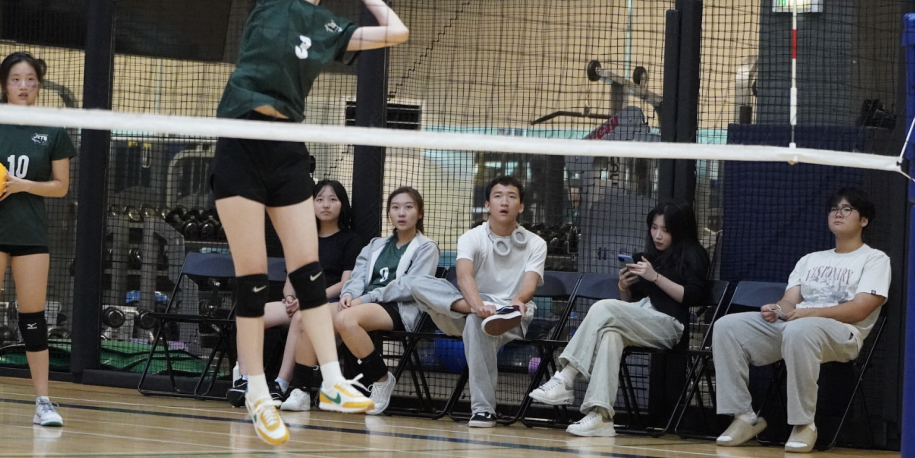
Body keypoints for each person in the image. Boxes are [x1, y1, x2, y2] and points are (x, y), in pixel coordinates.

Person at [209, 0, 411, 445]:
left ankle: (330, 375)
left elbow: (398, 33)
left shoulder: (331, 27)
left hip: (287, 151)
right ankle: (258, 393)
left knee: (308, 275)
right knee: (249, 279)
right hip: (243, 140)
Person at [712, 187, 890, 453]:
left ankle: (804, 424)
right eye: (833, 209)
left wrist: (809, 313)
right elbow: (790, 301)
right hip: (797, 325)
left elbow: (860, 309)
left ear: (863, 219)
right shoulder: (810, 260)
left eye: (846, 209)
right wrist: (777, 308)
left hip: (842, 334)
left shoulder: (875, 259)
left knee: (800, 329)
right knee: (727, 326)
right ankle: (744, 416)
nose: (838, 214)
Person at [0, 52, 76, 427]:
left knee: (33, 318)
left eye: (31, 80)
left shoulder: (54, 129)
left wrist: (23, 186)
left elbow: (61, 187)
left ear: (39, 84)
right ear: (4, 84)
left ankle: (44, 402)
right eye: (16, 80)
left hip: (31, 233)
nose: (24, 86)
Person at [528, 200, 710, 437]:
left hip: (670, 325)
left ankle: (566, 376)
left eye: (665, 230)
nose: (657, 235)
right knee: (610, 335)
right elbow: (627, 308)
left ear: (679, 230)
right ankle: (601, 416)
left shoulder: (694, 254)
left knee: (604, 308)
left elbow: (692, 297)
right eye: (654, 227)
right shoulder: (648, 257)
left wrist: (655, 277)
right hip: (641, 318)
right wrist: (624, 286)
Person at [280, 186, 439, 415]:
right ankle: (302, 390)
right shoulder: (375, 245)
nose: (401, 213)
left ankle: (382, 379)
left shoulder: (426, 247)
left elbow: (410, 286)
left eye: (408, 207)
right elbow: (357, 276)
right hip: (361, 303)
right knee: (307, 318)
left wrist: (364, 299)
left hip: (398, 308)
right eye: (395, 208)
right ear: (389, 214)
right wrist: (348, 295)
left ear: (420, 213)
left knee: (345, 320)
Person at [404, 176, 546, 427]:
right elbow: (464, 275)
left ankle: (483, 411)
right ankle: (475, 311)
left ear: (521, 206)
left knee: (476, 324)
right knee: (418, 282)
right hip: (470, 306)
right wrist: (477, 305)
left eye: (512, 197)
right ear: (488, 205)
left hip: (510, 312)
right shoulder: (471, 237)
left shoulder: (536, 243)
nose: (505, 202)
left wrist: (517, 301)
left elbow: (529, 285)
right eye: (498, 196)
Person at [256, 179, 360, 405]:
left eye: (333, 199)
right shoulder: (301, 238)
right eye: (319, 199)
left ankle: (280, 384)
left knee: (302, 318)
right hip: (299, 302)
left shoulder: (351, 240)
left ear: (342, 205)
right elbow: (290, 281)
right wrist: (291, 298)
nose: (325, 205)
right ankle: (246, 379)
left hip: (328, 304)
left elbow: (345, 283)